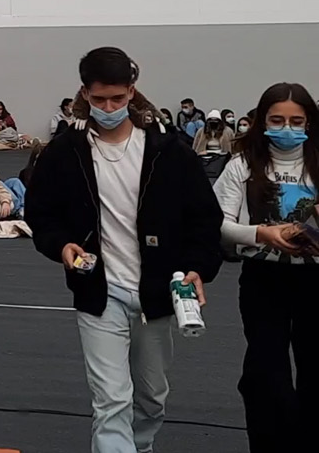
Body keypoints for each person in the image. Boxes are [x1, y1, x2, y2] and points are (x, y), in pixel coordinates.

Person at [26, 48, 223, 453]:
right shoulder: (64, 152)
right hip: (100, 293)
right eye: (99, 99)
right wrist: (61, 245)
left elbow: (204, 217)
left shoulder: (169, 152)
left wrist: (197, 267)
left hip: (159, 292)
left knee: (152, 398)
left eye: (117, 98)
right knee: (112, 400)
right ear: (85, 93)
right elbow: (41, 213)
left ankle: (141, 445)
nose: (109, 108)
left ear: (132, 92)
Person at [211, 82, 319, 452]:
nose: (287, 128)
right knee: (266, 373)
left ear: (309, 122)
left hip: (315, 280)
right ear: (262, 121)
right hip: (264, 279)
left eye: (296, 121)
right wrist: (260, 233)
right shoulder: (241, 165)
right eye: (277, 120)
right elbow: (218, 222)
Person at [192, 109, 234, 178]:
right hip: (205, 158)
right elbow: (195, 147)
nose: (213, 122)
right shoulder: (201, 131)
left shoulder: (228, 131)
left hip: (222, 158)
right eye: (211, 120)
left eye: (216, 120)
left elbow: (232, 148)